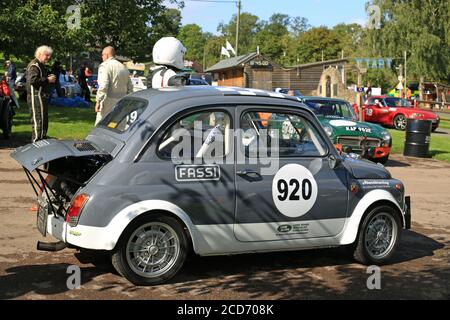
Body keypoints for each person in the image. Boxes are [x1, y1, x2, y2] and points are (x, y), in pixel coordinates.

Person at [95, 46, 133, 125]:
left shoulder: (105, 66)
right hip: (122, 102)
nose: (102, 57)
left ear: (107, 55)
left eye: (102, 55)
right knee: (117, 126)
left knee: (100, 126)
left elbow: (103, 86)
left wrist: (98, 101)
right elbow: (130, 87)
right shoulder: (123, 68)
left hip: (108, 101)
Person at [26, 45, 56, 142]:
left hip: (41, 97)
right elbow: (33, 80)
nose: (48, 57)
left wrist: (48, 78)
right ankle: (36, 141)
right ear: (39, 54)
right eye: (46, 55)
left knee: (43, 119)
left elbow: (41, 79)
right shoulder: (34, 65)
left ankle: (42, 139)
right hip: (35, 97)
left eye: (49, 55)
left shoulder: (41, 65)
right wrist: (48, 79)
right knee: (38, 119)